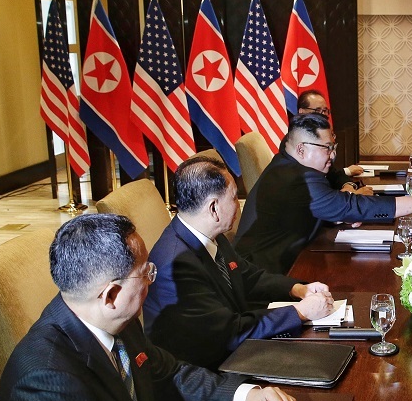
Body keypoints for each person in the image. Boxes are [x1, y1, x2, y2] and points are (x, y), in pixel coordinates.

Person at [0, 214, 296, 401]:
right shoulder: (45, 380)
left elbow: (170, 373)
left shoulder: (113, 320)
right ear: (111, 295)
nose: (153, 280)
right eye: (147, 272)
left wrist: (246, 394)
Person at [143, 157, 334, 370]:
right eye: (234, 197)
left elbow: (247, 276)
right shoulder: (175, 266)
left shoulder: (208, 233)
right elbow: (228, 333)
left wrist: (297, 289)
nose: (238, 204)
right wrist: (299, 312)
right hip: (207, 369)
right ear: (213, 208)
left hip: (235, 344)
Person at [235, 112, 412, 273]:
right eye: (327, 148)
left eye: (333, 147)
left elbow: (324, 206)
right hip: (266, 274)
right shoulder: (296, 177)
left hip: (293, 256)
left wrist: (337, 214)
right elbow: (350, 206)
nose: (333, 155)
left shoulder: (288, 163)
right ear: (301, 149)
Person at [297, 89, 369, 192]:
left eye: (325, 111)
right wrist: (352, 197)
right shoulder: (296, 142)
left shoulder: (321, 138)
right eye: (317, 111)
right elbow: (316, 190)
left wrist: (348, 186)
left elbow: (333, 174)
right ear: (302, 112)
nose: (323, 115)